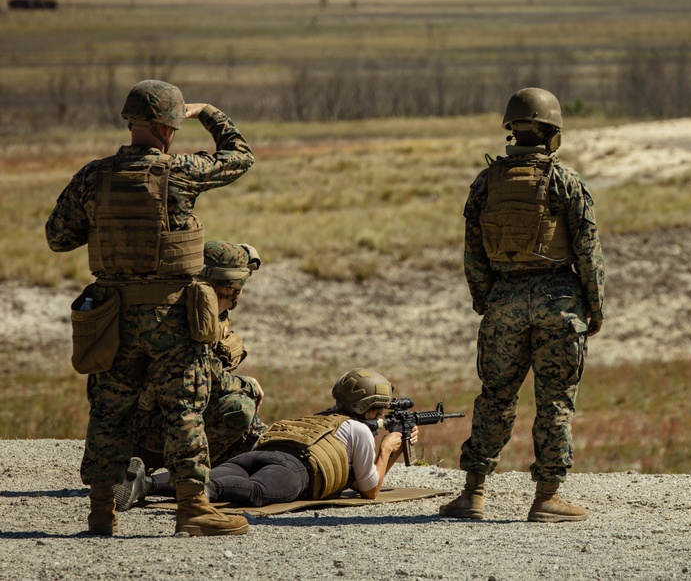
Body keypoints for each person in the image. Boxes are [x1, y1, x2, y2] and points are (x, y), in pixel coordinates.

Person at [45, 80, 255, 537]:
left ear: (132, 122)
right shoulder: (180, 172)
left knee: (108, 410)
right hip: (170, 317)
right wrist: (210, 113)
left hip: (110, 317)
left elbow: (59, 237)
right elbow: (240, 155)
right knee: (183, 410)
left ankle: (102, 511)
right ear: (168, 129)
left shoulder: (92, 176)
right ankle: (194, 509)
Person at [439, 87, 605, 523]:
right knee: (554, 402)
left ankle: (473, 494)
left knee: (494, 397)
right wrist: (595, 307)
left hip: (504, 302)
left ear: (511, 131)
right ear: (552, 134)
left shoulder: (485, 182)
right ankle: (547, 497)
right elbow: (588, 252)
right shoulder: (566, 182)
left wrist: (487, 300)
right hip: (559, 303)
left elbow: (472, 252)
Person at [114, 369, 416, 510]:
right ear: (368, 408)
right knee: (254, 493)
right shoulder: (360, 431)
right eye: (379, 408)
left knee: (208, 476)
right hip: (293, 469)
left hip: (259, 455)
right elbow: (369, 490)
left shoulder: (322, 418)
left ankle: (146, 483)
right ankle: (159, 488)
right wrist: (388, 449)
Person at [131, 240, 267, 475]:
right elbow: (207, 380)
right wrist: (248, 385)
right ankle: (181, 474)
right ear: (230, 289)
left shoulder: (204, 308)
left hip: (172, 415)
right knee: (240, 407)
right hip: (151, 429)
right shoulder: (187, 319)